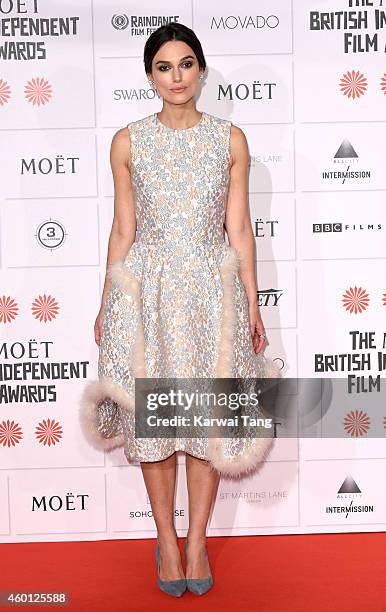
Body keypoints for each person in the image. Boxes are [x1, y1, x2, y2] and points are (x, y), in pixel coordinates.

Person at [80, 23, 280, 598]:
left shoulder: (230, 139)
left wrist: (251, 300)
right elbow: (123, 228)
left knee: (207, 422)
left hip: (211, 295)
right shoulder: (127, 140)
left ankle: (198, 540)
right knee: (158, 420)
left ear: (202, 70)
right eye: (164, 67)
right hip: (148, 292)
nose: (176, 77)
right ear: (149, 75)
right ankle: (166, 539)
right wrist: (105, 299)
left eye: (186, 64)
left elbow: (239, 228)